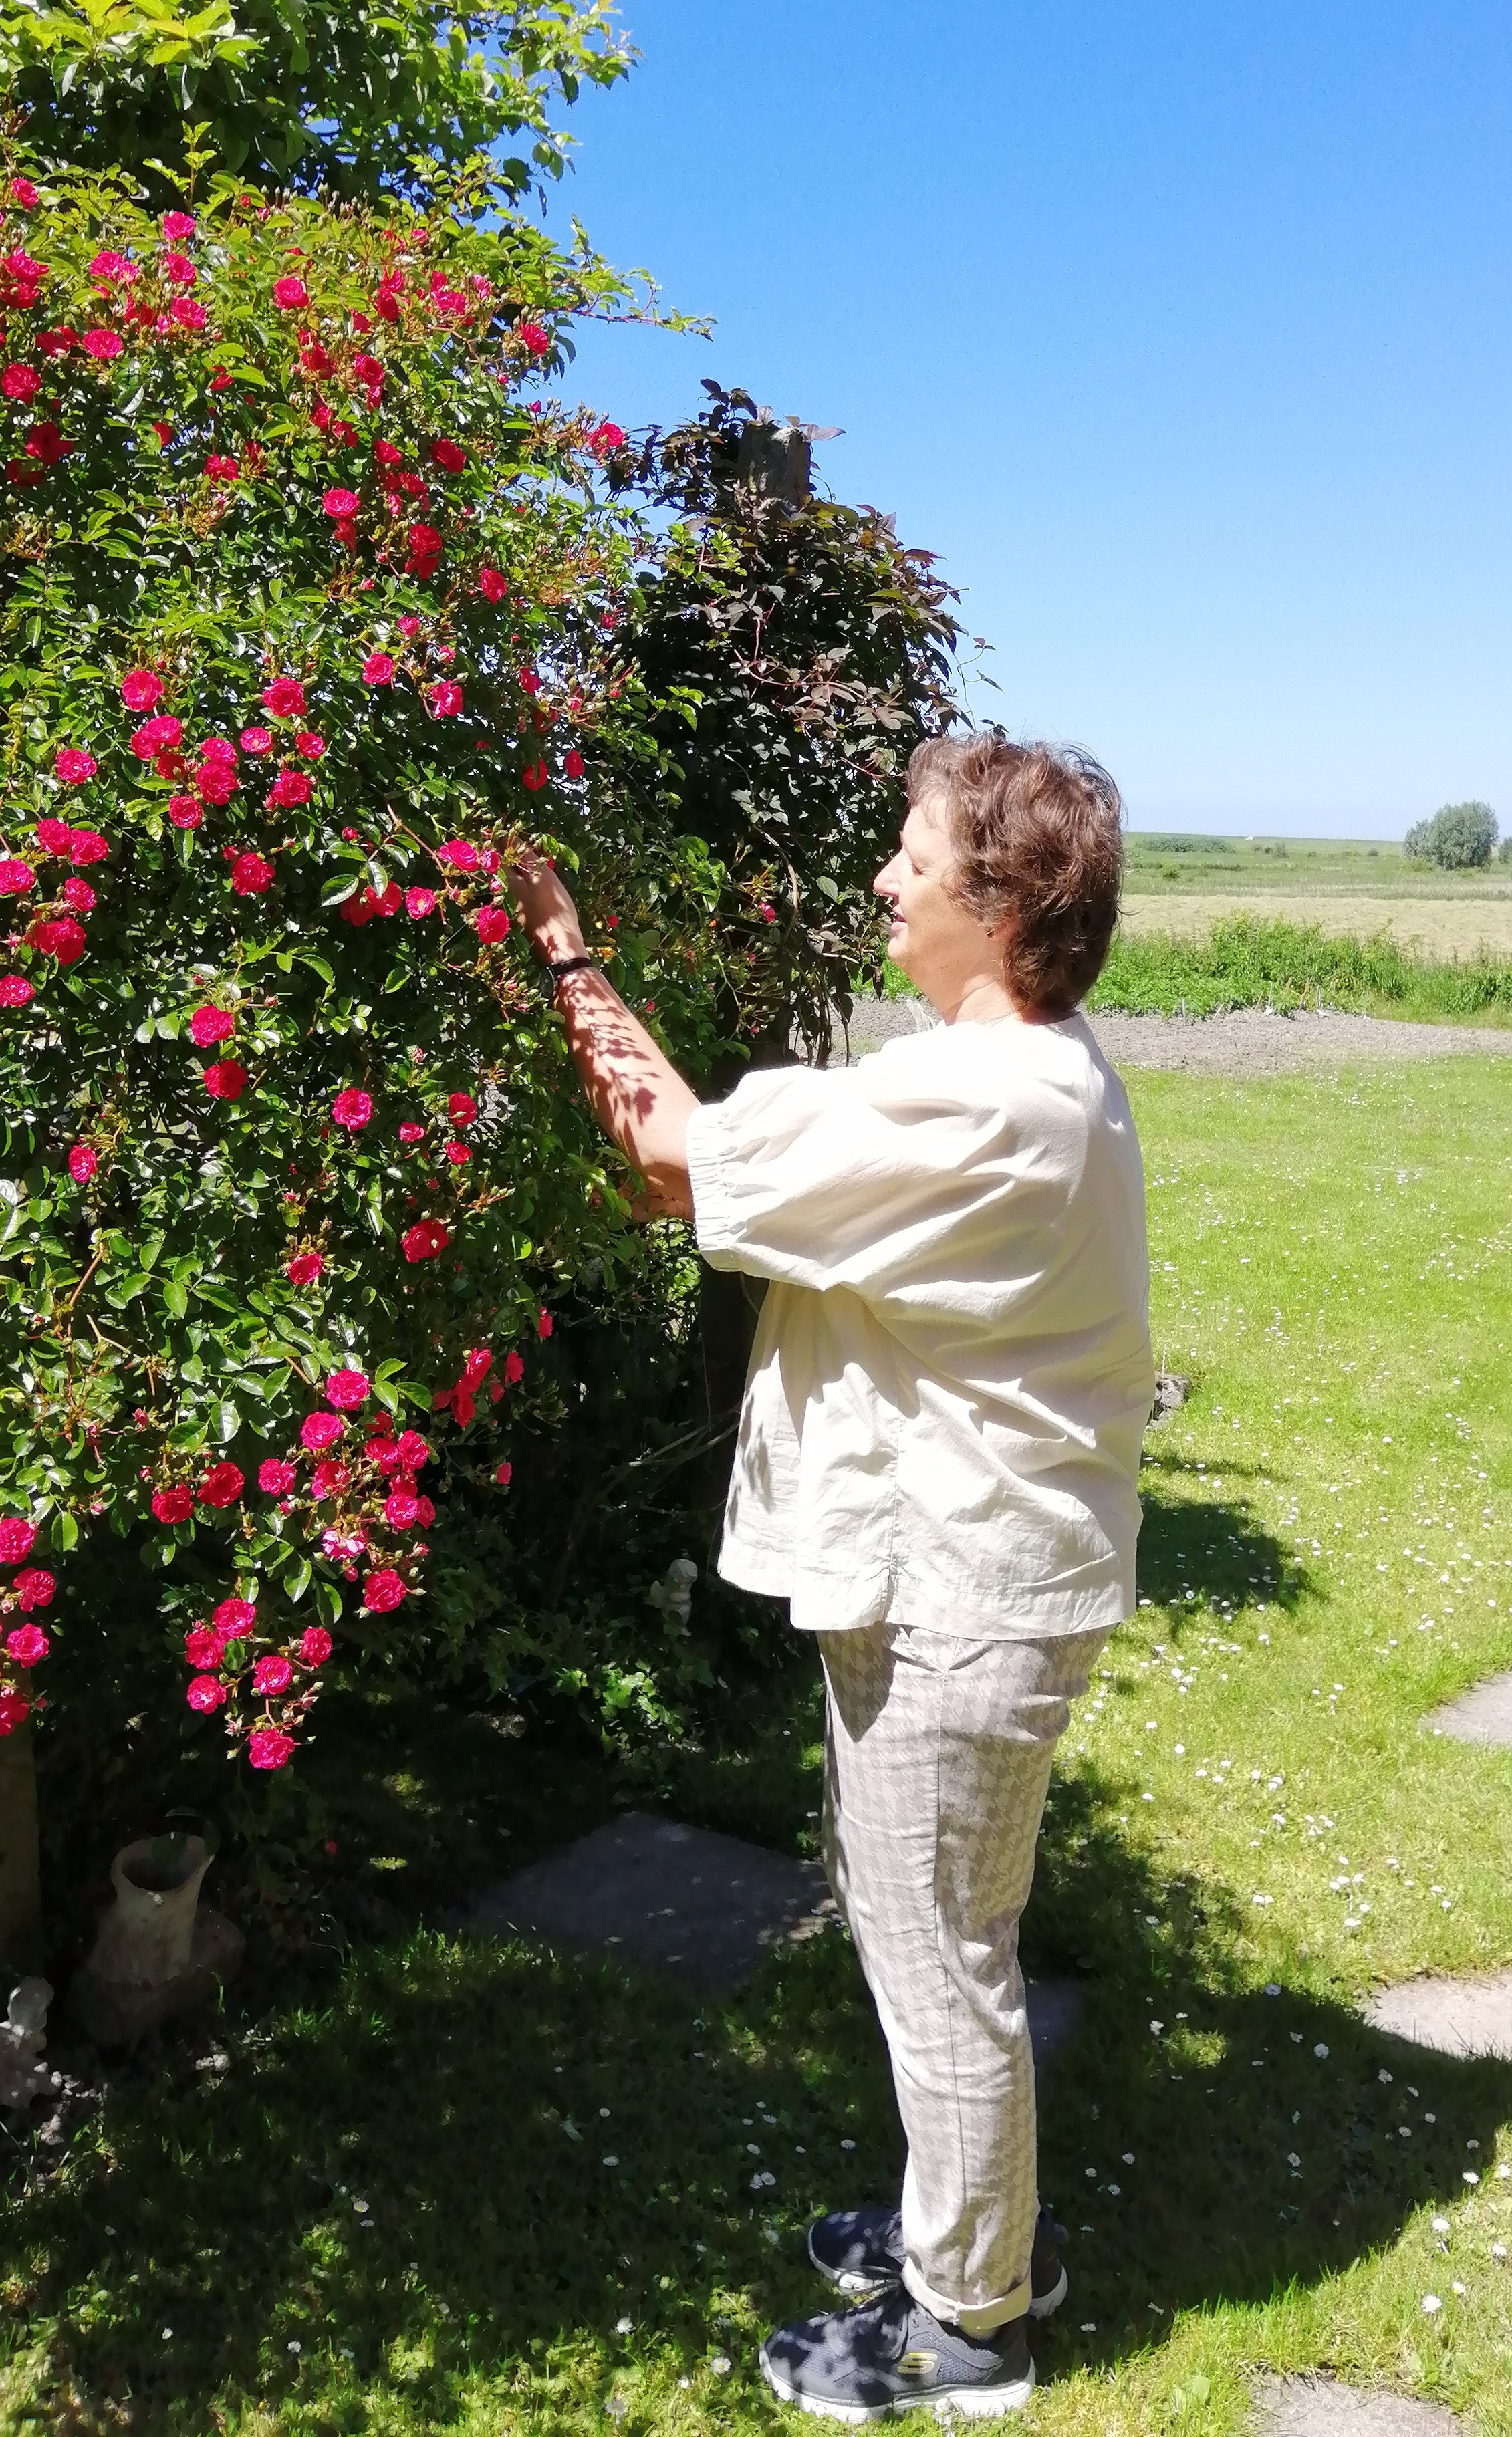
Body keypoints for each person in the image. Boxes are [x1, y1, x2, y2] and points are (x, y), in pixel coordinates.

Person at [508, 731, 1154, 2421]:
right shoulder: (1029, 1074)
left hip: (961, 1598)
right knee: (944, 1929)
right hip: (972, 1582)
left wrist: (559, 944)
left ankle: (969, 2322)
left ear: (998, 897)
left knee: (935, 1951)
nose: (884, 878)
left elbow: (670, 1163)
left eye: (911, 851)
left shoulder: (986, 1099)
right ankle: (982, 2234)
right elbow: (729, 1150)